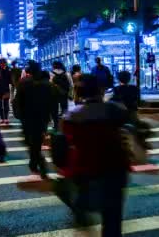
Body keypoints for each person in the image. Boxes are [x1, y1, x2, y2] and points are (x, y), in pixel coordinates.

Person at [56, 74, 130, 236]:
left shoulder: (71, 116)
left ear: (79, 93)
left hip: (84, 168)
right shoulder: (115, 110)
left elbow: (62, 145)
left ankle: (80, 213)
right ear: (101, 90)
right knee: (112, 218)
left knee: (82, 198)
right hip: (115, 167)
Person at [15, 61, 53, 179]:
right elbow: (52, 102)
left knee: (30, 141)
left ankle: (38, 163)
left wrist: (19, 114)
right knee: (36, 141)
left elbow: (17, 100)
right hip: (42, 117)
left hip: (27, 117)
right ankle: (35, 162)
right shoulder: (47, 84)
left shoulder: (23, 83)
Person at [50, 61, 72, 129]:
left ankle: (56, 125)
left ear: (54, 66)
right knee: (64, 109)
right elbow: (71, 84)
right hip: (64, 93)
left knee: (54, 110)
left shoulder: (51, 73)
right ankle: (66, 124)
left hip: (54, 94)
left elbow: (50, 84)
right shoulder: (66, 73)